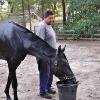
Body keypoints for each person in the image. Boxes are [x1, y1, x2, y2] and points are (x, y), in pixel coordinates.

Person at [36, 10, 57, 99]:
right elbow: (40, 42)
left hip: (51, 55)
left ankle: (48, 87)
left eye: (52, 18)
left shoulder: (49, 25)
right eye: (50, 18)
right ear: (45, 17)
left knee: (50, 72)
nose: (51, 20)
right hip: (44, 55)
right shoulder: (42, 26)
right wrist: (44, 56)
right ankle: (42, 91)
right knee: (44, 73)